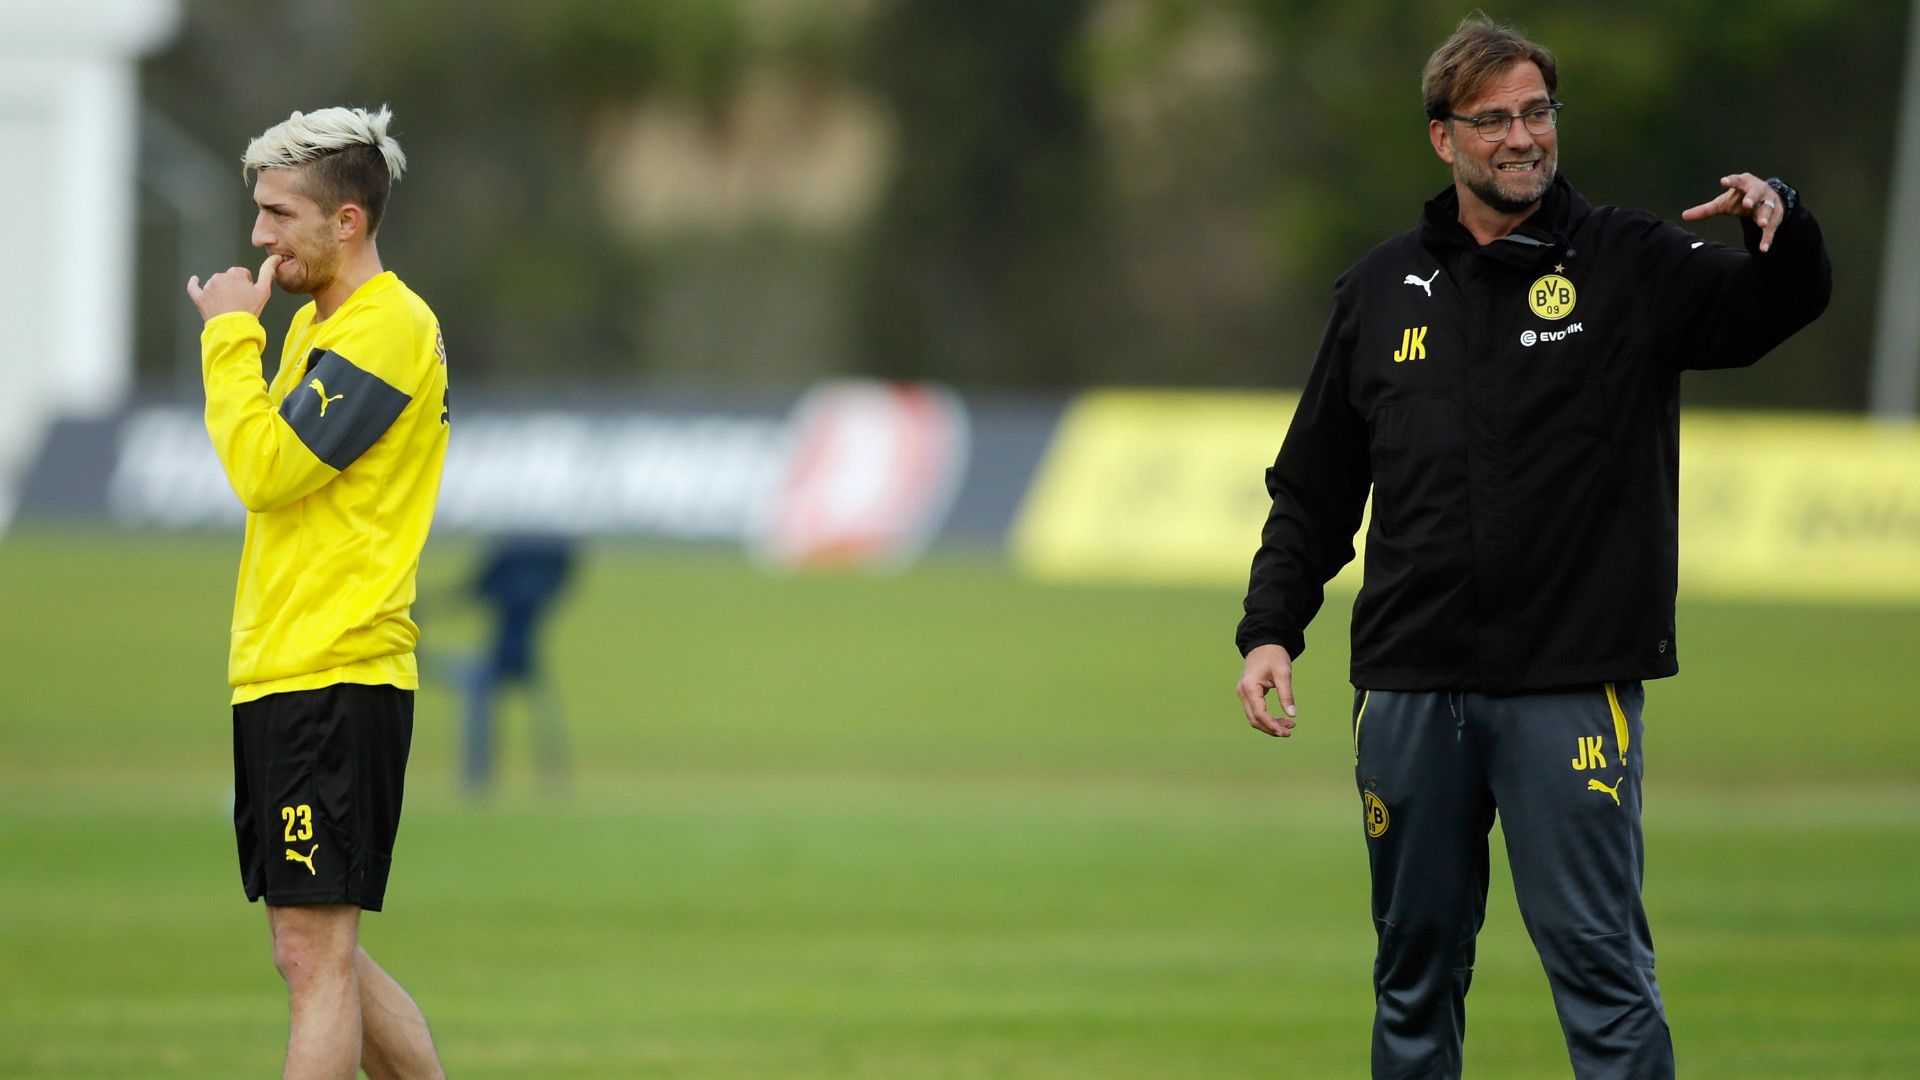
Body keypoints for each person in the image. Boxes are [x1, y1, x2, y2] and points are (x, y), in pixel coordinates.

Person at [1233, 17, 1829, 1079]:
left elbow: (1773, 306)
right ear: (1443, 139)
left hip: (1570, 682)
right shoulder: (1377, 292)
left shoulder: (1631, 264)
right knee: (1413, 976)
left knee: (1603, 976)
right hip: (1411, 688)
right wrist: (1271, 628)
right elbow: (1315, 489)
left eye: (1538, 112)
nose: (1522, 137)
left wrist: (1783, 219)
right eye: (1494, 118)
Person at [187, 105, 450, 1080]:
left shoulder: (389, 330)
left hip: (337, 672)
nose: (259, 236)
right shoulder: (314, 326)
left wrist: (226, 344)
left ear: (347, 222)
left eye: (279, 213)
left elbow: (265, 469)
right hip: (282, 671)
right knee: (312, 948)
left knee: (311, 953)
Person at [460, 535, 576, 794]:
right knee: (540, 717)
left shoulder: (513, 553)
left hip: (510, 651)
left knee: (485, 710)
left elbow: (478, 587)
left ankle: (480, 779)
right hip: (516, 652)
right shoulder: (544, 558)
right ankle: (553, 780)